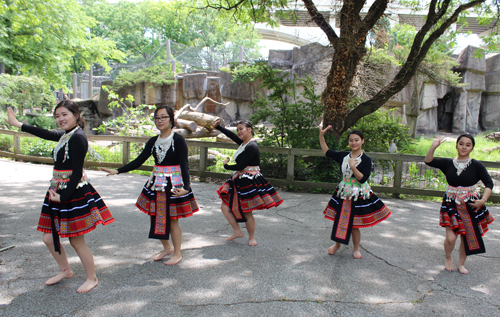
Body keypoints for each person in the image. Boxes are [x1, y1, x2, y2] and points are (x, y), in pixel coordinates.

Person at [5, 102, 114, 293]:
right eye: (57, 116)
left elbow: (77, 173)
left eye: (64, 114)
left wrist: (62, 197)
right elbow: (45, 133)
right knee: (49, 238)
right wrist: (18, 124)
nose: (60, 119)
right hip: (57, 191)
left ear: (75, 115)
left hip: (70, 193)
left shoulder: (78, 137)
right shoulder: (66, 135)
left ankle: (92, 277)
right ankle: (66, 270)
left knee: (76, 241)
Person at [102, 105, 198, 265]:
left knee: (173, 220)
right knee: (156, 216)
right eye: (157, 118)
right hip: (157, 183)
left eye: (163, 117)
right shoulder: (153, 141)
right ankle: (167, 247)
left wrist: (186, 188)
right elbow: (139, 161)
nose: (159, 121)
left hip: (174, 183)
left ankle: (177, 253)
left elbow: (184, 164)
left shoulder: (178, 139)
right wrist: (117, 171)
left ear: (171, 119)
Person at [425, 134, 494, 274]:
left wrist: (483, 200)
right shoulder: (448, 163)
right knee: (451, 238)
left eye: (468, 145)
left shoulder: (477, 165)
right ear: (456, 145)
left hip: (470, 204)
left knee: (466, 236)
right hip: (451, 203)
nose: (464, 147)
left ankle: (461, 264)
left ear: (472, 147)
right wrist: (433, 146)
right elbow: (428, 161)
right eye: (461, 144)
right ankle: (448, 258)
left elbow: (489, 183)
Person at [319, 126, 391, 258]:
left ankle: (356, 249)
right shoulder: (343, 156)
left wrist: (353, 166)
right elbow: (326, 152)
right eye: (351, 140)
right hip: (343, 192)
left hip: (358, 193)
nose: (354, 143)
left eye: (356, 140)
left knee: (354, 224)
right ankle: (337, 245)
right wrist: (321, 136)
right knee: (340, 220)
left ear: (362, 141)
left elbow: (362, 179)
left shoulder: (366, 160)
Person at [213, 119, 283, 246]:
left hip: (248, 180)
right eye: (238, 129)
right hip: (238, 178)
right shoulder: (244, 143)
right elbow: (232, 135)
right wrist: (219, 127)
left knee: (246, 210)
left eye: (241, 129)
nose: (239, 131)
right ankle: (237, 231)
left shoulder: (252, 146)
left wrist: (226, 166)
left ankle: (252, 237)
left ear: (249, 129)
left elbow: (241, 165)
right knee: (224, 207)